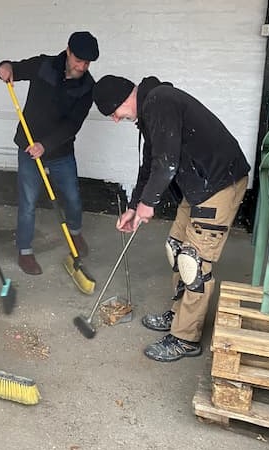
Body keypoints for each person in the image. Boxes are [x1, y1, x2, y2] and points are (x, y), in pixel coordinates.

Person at [92, 75, 250, 362]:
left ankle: (185, 338)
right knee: (176, 248)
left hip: (219, 183)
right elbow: (151, 164)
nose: (115, 120)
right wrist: (133, 206)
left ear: (120, 100)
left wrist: (148, 204)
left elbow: (167, 165)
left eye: (112, 113)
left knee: (194, 262)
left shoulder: (160, 101)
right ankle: (179, 316)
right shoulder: (153, 107)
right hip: (199, 185)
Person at [0, 31, 99, 275]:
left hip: (60, 150)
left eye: (87, 63)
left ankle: (74, 233)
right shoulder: (44, 65)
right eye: (78, 60)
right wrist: (4, 68)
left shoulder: (87, 87)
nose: (82, 66)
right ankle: (25, 252)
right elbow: (14, 68)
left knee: (72, 197)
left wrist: (46, 145)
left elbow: (73, 124)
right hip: (28, 148)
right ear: (68, 51)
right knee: (28, 201)